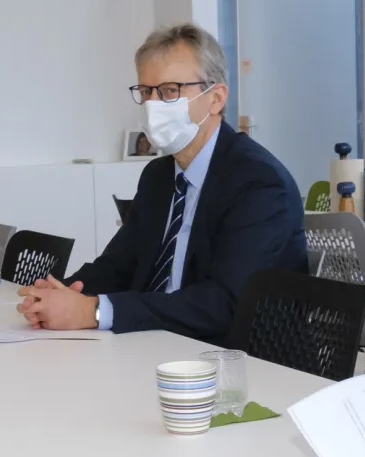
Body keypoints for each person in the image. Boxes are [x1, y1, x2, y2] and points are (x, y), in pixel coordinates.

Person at [17, 23, 306, 342]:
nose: (154, 104)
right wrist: (61, 294)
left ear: (216, 98)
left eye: (170, 90)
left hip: (239, 363)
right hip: (154, 345)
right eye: (146, 92)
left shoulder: (258, 183)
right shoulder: (158, 176)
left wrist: (95, 311)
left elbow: (224, 303)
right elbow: (116, 266)